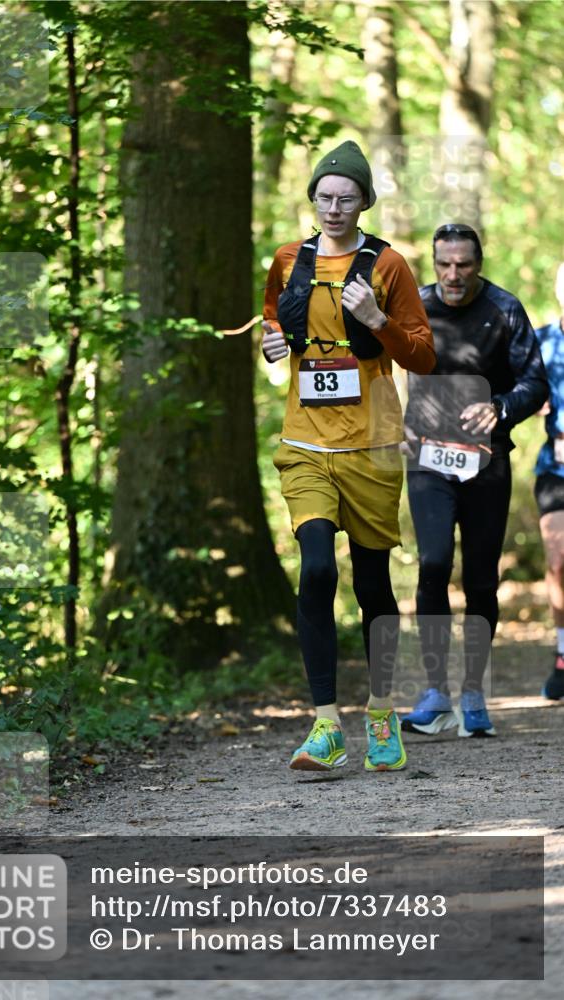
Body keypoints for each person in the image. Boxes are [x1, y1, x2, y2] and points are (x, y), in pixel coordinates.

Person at [261, 139, 435, 773]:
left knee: (371, 583)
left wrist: (378, 319)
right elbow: (274, 321)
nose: (334, 208)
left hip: (372, 444)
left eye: (347, 198)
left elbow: (422, 353)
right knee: (315, 569)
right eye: (324, 197)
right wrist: (273, 345)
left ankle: (382, 711)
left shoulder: (388, 265)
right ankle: (325, 724)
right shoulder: (288, 259)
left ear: (365, 202)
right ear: (312, 200)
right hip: (305, 441)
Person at [401, 223, 548, 738]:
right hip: (427, 460)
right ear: (434, 263)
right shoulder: (415, 307)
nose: (453, 274)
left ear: (478, 263)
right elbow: (382, 364)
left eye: (463, 264)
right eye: (444, 264)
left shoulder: (505, 309)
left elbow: (535, 381)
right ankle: (436, 691)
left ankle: (474, 693)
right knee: (434, 562)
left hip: (487, 463)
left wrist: (501, 407)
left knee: (482, 580)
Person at [535, 263, 564, 700]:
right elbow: (517, 386)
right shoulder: (542, 340)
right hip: (555, 469)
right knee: (559, 559)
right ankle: (563, 655)